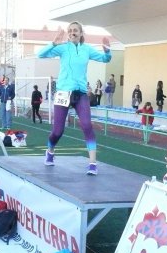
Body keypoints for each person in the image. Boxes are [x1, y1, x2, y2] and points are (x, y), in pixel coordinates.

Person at [37, 22, 111, 175]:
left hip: (80, 94)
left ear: (81, 32)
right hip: (63, 93)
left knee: (86, 125)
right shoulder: (63, 48)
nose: (72, 33)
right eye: (70, 31)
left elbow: (105, 59)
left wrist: (108, 51)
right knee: (58, 131)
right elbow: (41, 54)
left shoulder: (87, 49)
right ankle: (50, 151)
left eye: (75, 30)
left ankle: (92, 164)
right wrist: (53, 43)